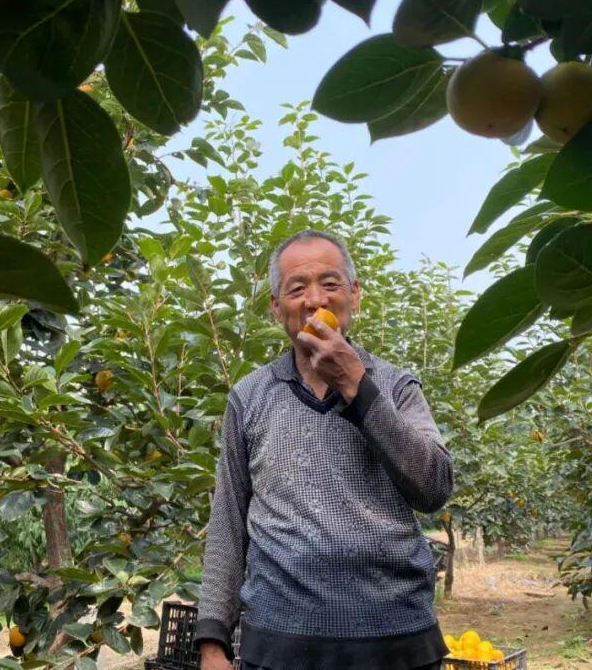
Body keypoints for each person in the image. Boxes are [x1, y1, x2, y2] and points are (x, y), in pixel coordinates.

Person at [192, 230, 454, 670]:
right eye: (297, 289)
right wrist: (212, 640)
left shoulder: (396, 386)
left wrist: (356, 386)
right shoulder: (250, 396)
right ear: (276, 307)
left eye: (330, 284)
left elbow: (434, 488)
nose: (315, 300)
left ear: (354, 294)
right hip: (278, 646)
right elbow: (228, 521)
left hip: (396, 642)